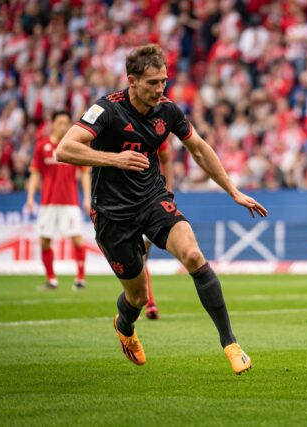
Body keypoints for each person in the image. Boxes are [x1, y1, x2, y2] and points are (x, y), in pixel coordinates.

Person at [56, 44, 267, 374]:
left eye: (163, 81)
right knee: (137, 298)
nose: (160, 89)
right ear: (132, 81)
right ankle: (124, 326)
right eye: (152, 82)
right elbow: (64, 148)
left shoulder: (168, 110)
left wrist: (232, 190)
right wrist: (115, 159)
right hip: (112, 212)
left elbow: (198, 148)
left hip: (152, 198)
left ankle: (230, 343)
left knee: (194, 256)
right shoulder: (107, 110)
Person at [25, 111, 90, 290]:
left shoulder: (74, 145)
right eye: (60, 122)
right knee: (44, 241)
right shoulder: (42, 146)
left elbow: (85, 173)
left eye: (66, 123)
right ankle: (52, 279)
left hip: (70, 201)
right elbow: (35, 173)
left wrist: (87, 197)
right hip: (48, 202)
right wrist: (30, 197)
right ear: (53, 124)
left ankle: (80, 279)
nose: (63, 126)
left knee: (77, 239)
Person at [143, 141, 173, 320]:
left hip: (153, 199)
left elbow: (166, 160)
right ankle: (148, 303)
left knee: (143, 255)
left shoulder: (157, 128)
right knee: (136, 259)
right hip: (126, 200)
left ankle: (147, 302)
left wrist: (169, 191)